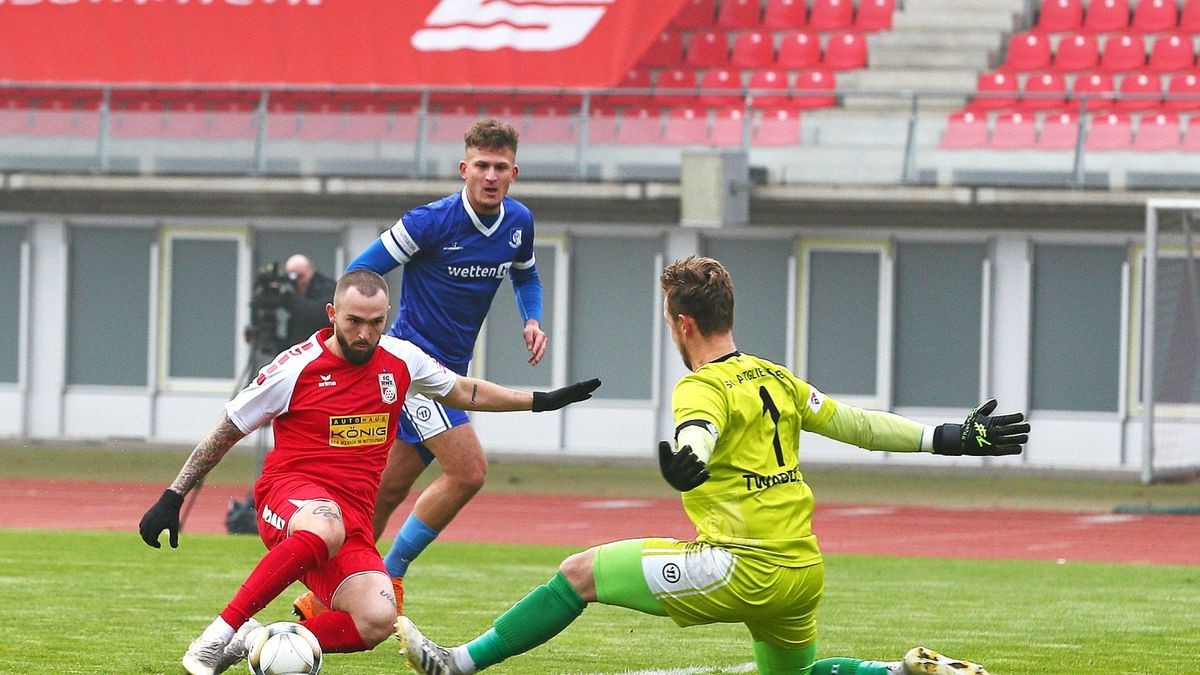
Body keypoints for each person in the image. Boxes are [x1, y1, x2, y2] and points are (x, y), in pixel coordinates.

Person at [396, 256, 1030, 675]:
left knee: (578, 574)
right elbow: (855, 423)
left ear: (684, 323)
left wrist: (687, 463)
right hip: (801, 568)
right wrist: (947, 436)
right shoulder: (774, 377)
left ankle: (455, 665)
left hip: (741, 566)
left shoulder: (701, 385)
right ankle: (902, 671)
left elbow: (697, 432)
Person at [138, 269, 599, 675]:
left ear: (386, 318)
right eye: (353, 321)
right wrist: (173, 496)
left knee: (378, 619)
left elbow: (462, 390)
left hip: (349, 522)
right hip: (289, 499)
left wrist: (541, 401)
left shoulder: (401, 359)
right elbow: (227, 429)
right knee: (324, 525)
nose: (364, 334)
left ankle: (254, 643)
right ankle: (217, 635)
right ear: (332, 313)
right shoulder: (295, 368)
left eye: (375, 323)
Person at [293, 118, 547, 620]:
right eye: (481, 166)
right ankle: (392, 573)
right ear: (464, 168)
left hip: (452, 374)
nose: (490, 175)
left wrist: (532, 317)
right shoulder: (428, 223)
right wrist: (365, 340)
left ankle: (324, 596)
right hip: (413, 373)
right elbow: (361, 274)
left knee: (384, 491)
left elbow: (526, 274)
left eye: (500, 167)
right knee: (469, 471)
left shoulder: (518, 223)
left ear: (513, 172)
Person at [279, 253, 337, 346]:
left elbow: (319, 313)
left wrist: (286, 297)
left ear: (311, 271)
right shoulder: (298, 296)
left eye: (301, 276)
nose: (298, 282)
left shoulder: (328, 288)